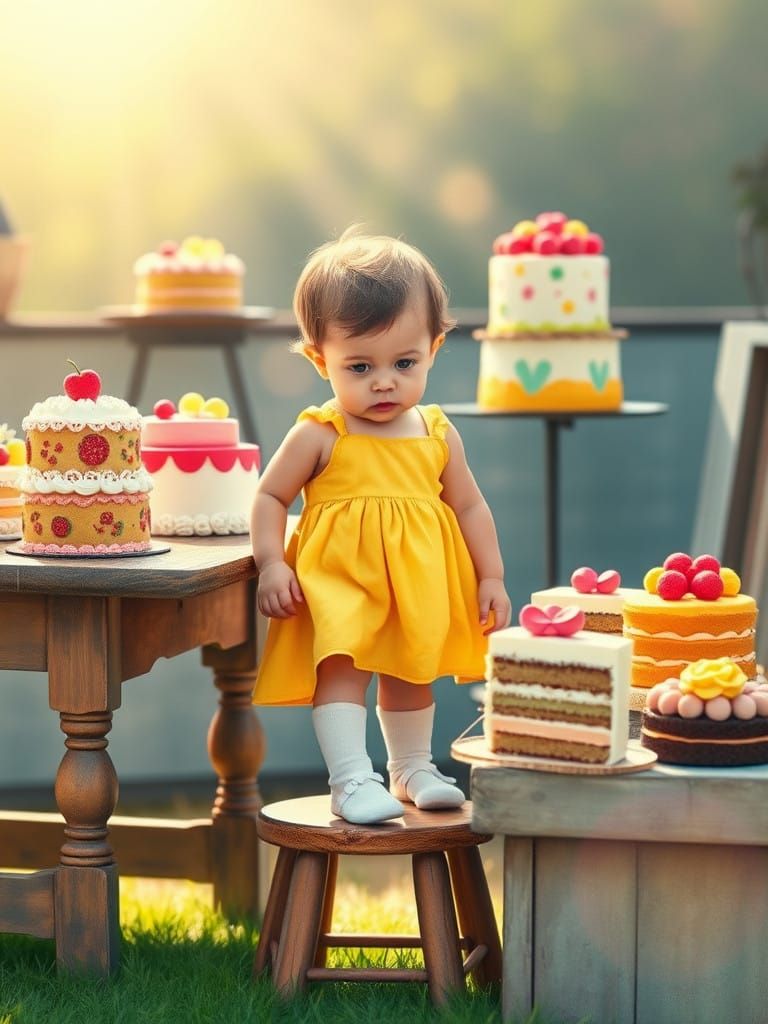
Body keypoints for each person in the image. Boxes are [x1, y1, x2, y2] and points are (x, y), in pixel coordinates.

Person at [251, 228, 511, 825]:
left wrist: (491, 575)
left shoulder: (437, 432)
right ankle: (349, 778)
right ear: (321, 359)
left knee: (411, 671)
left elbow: (470, 506)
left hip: (415, 579)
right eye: (360, 365)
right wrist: (271, 562)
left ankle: (411, 767)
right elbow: (269, 494)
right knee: (343, 668)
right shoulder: (320, 432)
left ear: (435, 349)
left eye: (404, 362)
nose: (384, 381)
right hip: (340, 579)